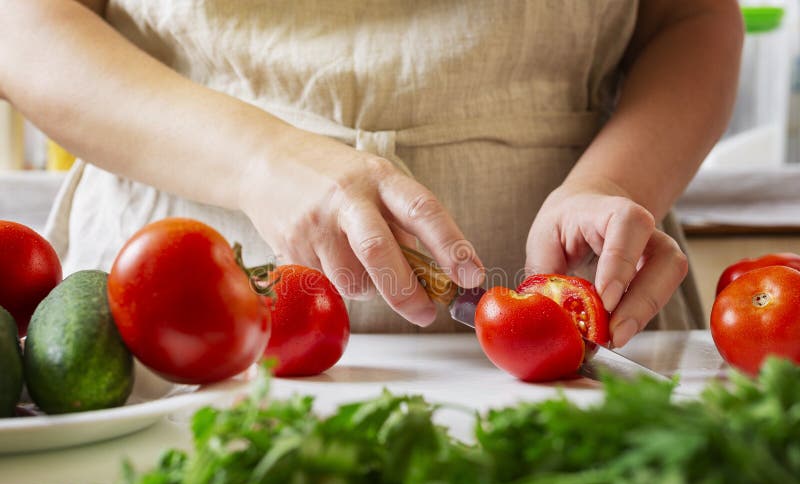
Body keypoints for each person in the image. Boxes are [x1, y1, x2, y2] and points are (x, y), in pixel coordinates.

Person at [0, 0, 742, 345]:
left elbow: (692, 17)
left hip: (592, 309)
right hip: (182, 321)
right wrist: (264, 158)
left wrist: (615, 184)